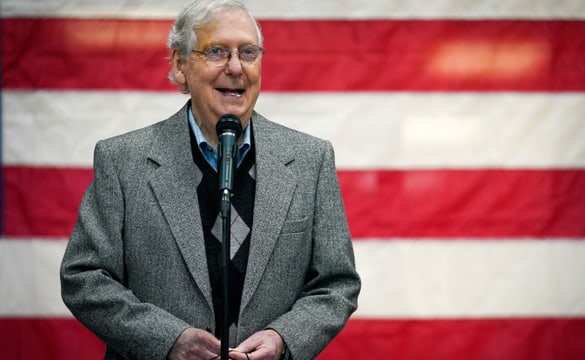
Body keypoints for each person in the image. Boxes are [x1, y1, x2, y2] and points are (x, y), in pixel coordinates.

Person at [59, 0, 361, 359]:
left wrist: (283, 339)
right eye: (217, 51)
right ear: (180, 65)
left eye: (248, 52)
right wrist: (167, 340)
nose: (235, 67)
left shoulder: (311, 160)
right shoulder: (123, 160)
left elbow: (337, 283)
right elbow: (84, 277)